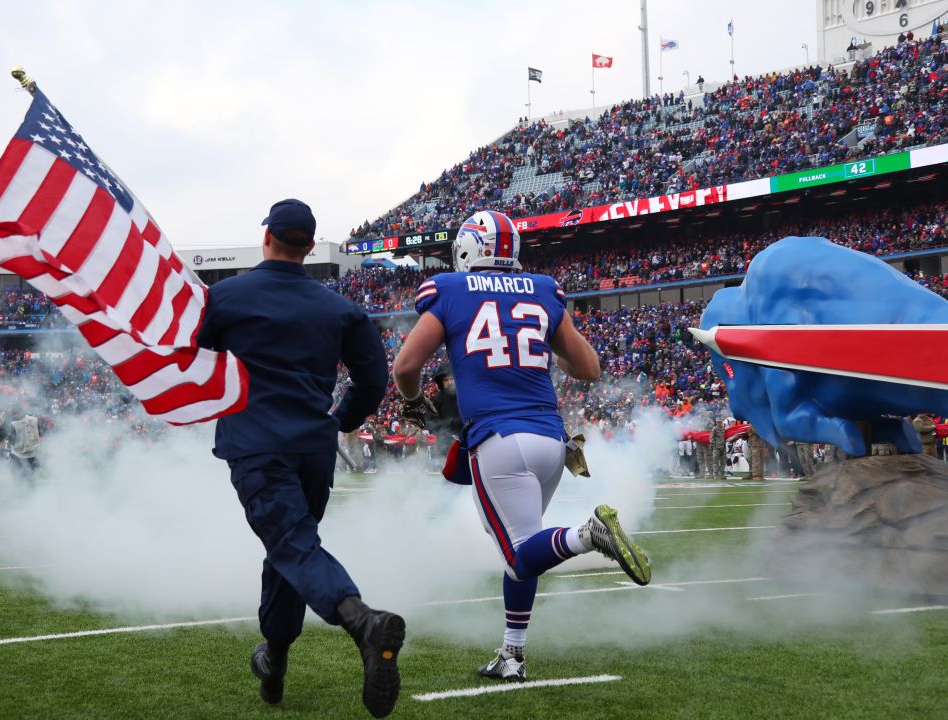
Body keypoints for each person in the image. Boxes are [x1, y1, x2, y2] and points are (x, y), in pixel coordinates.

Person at [392, 209, 652, 682]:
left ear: (468, 248)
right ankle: (513, 655)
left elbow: (406, 367)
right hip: (553, 442)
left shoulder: (449, 289)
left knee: (517, 552)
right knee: (526, 549)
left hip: (499, 440)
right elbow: (589, 369)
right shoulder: (541, 290)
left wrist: (412, 403)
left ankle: (588, 534)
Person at [195, 199, 404, 718]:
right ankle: (275, 665)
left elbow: (194, 352)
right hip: (314, 448)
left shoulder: (225, 297)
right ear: (311, 247)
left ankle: (360, 619)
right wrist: (343, 419)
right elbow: (374, 378)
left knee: (291, 544)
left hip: (257, 444)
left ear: (265, 236)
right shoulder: (339, 308)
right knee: (290, 551)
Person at [7, 410, 42, 488]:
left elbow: (11, 440)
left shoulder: (14, 424)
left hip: (18, 454)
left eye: (14, 414)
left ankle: (20, 494)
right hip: (32, 453)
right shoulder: (34, 420)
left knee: (17, 475)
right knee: (30, 476)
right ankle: (33, 494)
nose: (14, 416)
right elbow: (39, 433)